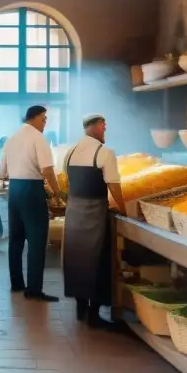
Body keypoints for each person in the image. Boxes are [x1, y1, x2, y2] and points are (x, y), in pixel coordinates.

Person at [62, 113, 126, 326]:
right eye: (104, 126)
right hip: (95, 213)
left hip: (73, 213)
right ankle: (94, 314)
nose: (105, 130)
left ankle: (81, 310)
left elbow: (68, 180)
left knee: (77, 260)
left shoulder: (70, 152)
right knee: (98, 261)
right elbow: (114, 185)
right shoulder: (105, 152)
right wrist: (124, 209)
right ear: (96, 126)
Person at [0, 106, 62, 301]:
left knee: (16, 239)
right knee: (36, 240)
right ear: (33, 118)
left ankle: (17, 283)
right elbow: (48, 170)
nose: (45, 123)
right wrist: (58, 194)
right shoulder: (38, 138)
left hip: (14, 190)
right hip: (32, 190)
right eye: (43, 119)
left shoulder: (11, 139)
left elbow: (1, 173)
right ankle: (34, 289)